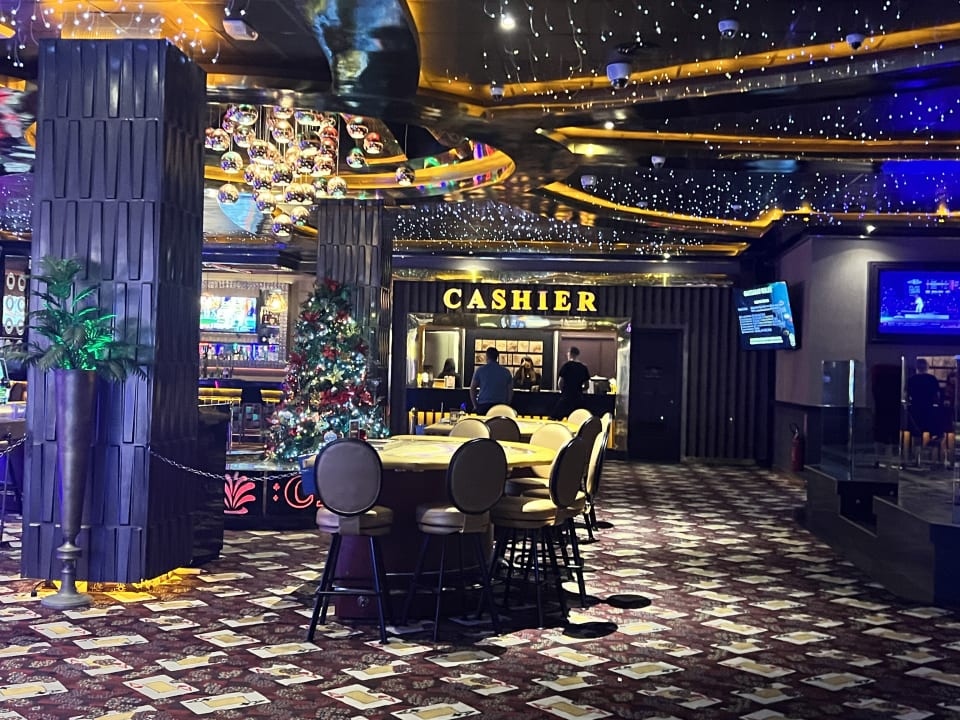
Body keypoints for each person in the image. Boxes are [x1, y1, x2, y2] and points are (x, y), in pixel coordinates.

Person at [906, 358, 945, 462]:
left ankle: (917, 458)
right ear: (927, 367)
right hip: (929, 409)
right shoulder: (932, 379)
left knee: (916, 434)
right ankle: (931, 457)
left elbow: (907, 394)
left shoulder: (911, 379)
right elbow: (937, 395)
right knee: (932, 432)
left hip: (915, 408)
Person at [470, 346, 513, 415]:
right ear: (497, 357)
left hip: (484, 404)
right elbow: (510, 391)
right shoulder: (506, 372)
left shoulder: (480, 370)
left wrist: (475, 405)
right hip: (500, 405)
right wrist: (507, 404)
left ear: (486, 356)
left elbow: (472, 388)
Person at [552, 346, 590, 420]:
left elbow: (560, 383)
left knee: (555, 417)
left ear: (569, 354)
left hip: (566, 396)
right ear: (577, 354)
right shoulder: (583, 367)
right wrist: (579, 389)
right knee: (578, 418)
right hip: (578, 397)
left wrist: (563, 390)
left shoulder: (566, 365)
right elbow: (587, 385)